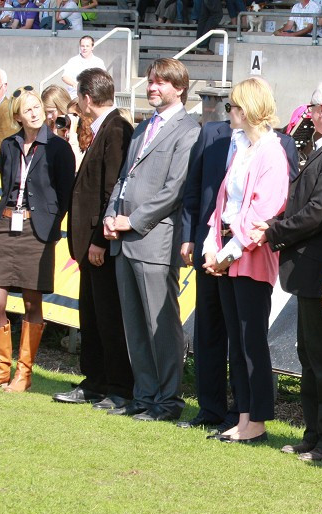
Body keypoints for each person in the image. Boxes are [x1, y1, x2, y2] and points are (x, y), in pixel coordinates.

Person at [178, 89, 298, 431]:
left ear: (248, 110)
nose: (229, 111)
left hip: (251, 259)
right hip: (227, 256)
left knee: (250, 343)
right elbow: (220, 207)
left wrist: (225, 256)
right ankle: (244, 416)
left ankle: (255, 420)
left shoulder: (272, 153)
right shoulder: (245, 149)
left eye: (234, 106)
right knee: (236, 340)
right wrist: (212, 249)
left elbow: (261, 214)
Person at [254, 79, 322, 461]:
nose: (309, 116)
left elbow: (320, 210)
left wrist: (275, 230)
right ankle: (315, 434)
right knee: (310, 355)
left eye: (312, 110)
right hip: (310, 266)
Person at [102, 58, 197, 422]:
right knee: (135, 324)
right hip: (125, 239)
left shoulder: (189, 130)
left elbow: (174, 190)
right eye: (150, 81)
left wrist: (132, 220)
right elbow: (125, 178)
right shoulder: (143, 127)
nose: (152, 87)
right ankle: (143, 395)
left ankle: (168, 399)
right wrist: (112, 215)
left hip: (155, 240)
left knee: (161, 326)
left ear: (179, 87)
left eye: (159, 82)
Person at [0, 86, 75, 392]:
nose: (34, 112)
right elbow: (7, 184)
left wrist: (49, 227)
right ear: (17, 115)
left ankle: (24, 372)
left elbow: (65, 194)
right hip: (5, 228)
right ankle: (0, 369)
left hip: (37, 233)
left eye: (37, 107)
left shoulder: (58, 148)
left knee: (33, 302)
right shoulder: (8, 145)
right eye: (27, 108)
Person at [51, 68, 135, 409]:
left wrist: (102, 239)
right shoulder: (107, 128)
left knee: (108, 317)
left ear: (86, 98)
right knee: (92, 315)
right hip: (91, 243)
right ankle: (96, 380)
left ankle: (117, 387)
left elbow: (112, 190)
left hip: (102, 242)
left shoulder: (116, 129)